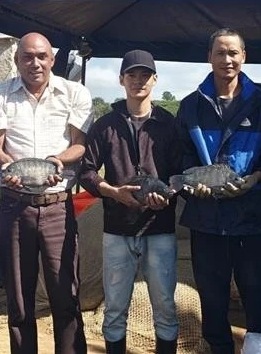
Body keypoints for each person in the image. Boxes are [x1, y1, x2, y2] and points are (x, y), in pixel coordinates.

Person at [0, 32, 92, 354]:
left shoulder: (74, 93)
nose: (35, 63)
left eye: (41, 56)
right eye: (27, 56)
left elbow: (79, 145)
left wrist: (57, 160)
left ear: (52, 60)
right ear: (17, 60)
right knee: (19, 301)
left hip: (58, 206)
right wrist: (8, 167)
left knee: (66, 297)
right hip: (14, 207)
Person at [176, 28, 261, 354]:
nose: (227, 59)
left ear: (243, 57)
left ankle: (258, 349)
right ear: (209, 57)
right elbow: (182, 157)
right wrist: (194, 187)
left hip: (253, 217)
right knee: (213, 298)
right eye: (220, 52)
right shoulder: (191, 105)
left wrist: (257, 177)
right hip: (207, 219)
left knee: (256, 297)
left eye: (234, 53)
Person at [79, 50, 179, 354]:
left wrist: (167, 195)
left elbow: (179, 174)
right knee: (115, 307)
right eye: (132, 75)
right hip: (117, 229)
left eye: (145, 75)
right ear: (121, 79)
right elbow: (86, 171)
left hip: (159, 228)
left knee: (164, 305)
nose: (138, 81)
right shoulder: (106, 125)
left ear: (155, 80)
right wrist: (112, 191)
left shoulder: (168, 124)